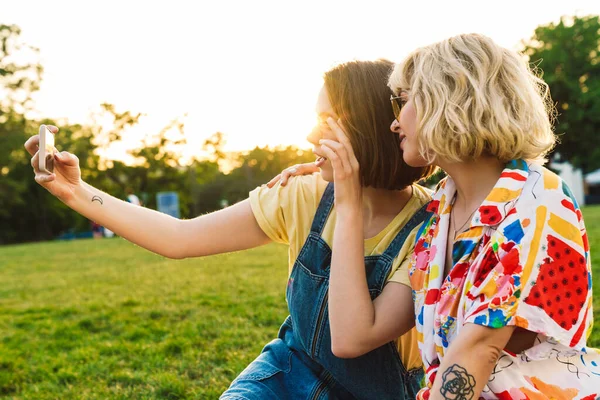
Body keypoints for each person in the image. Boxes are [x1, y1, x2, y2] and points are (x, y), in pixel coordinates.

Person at [25, 60, 436, 399]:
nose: (312, 134)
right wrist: (77, 193)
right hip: (290, 370)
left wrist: (347, 204)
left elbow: (352, 341)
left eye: (331, 120)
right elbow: (180, 238)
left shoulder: (432, 227)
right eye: (316, 119)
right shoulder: (303, 194)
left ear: (374, 128)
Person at [282, 33, 600, 399]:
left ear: (447, 98)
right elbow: (355, 334)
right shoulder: (439, 215)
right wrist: (345, 193)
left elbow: (480, 348)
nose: (394, 123)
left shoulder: (536, 199)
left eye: (401, 102)